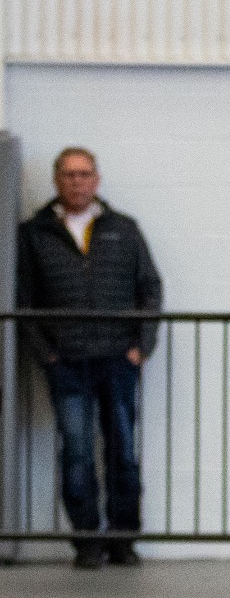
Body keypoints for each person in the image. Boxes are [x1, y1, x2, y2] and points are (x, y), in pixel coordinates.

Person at [17, 149, 163, 570]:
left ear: (97, 179)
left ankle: (123, 539)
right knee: (77, 450)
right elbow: (23, 301)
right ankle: (86, 540)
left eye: (84, 174)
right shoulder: (35, 234)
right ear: (56, 180)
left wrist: (142, 346)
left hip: (119, 359)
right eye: (68, 175)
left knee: (123, 450)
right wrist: (46, 353)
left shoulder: (125, 229)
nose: (77, 181)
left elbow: (150, 287)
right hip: (67, 363)